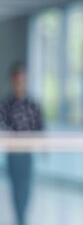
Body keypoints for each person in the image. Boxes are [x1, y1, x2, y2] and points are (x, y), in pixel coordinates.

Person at [0, 62, 43, 225]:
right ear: (13, 80)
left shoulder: (32, 104)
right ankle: (19, 219)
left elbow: (39, 126)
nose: (20, 83)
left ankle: (22, 219)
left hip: (26, 152)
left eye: (22, 79)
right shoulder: (6, 104)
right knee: (16, 187)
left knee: (25, 187)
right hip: (13, 153)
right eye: (17, 79)